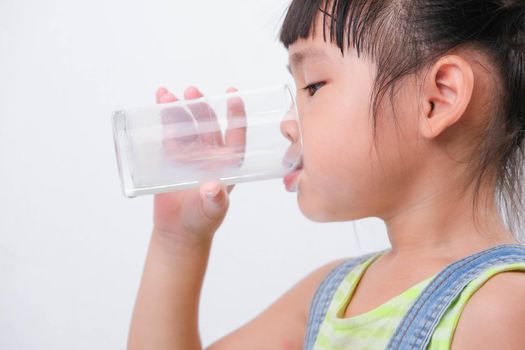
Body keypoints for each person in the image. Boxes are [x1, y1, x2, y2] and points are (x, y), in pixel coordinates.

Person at [127, 0, 525, 349]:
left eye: (313, 86)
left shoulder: (501, 308)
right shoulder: (329, 297)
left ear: (438, 99)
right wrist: (177, 239)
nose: (287, 123)